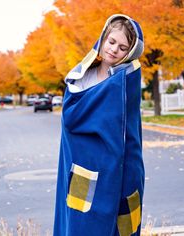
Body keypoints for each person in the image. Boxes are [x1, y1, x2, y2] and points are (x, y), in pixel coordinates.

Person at [53, 14, 145, 236]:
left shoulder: (125, 82)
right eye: (111, 42)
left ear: (130, 53)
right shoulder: (81, 78)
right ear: (103, 39)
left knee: (120, 226)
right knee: (82, 225)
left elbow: (127, 131)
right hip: (83, 166)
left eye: (123, 47)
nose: (114, 50)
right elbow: (71, 119)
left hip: (121, 168)